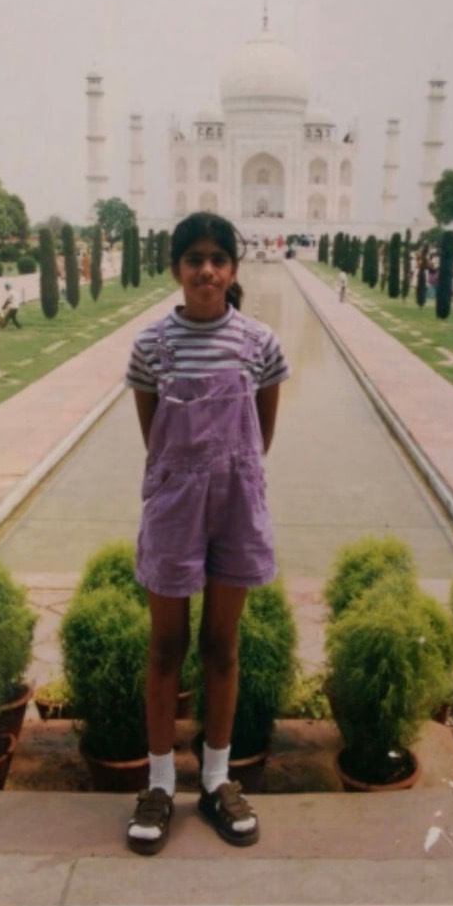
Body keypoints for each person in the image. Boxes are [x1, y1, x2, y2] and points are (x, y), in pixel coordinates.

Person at [124, 211, 290, 856]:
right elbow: (152, 432)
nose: (207, 270)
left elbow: (264, 430)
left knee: (222, 645)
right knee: (166, 646)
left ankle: (217, 779)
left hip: (237, 504)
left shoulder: (259, 342)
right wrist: (186, 476)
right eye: (194, 258)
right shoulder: (152, 345)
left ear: (234, 269)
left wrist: (232, 472)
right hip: (175, 503)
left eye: (219, 258)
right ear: (176, 268)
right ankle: (161, 783)